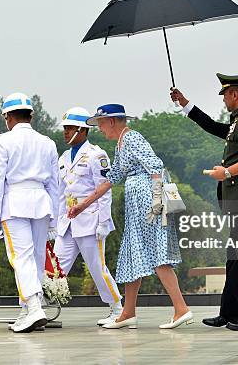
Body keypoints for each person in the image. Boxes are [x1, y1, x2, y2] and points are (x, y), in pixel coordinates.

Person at [171, 74, 238, 331]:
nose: (224, 101)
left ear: (234, 93)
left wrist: (227, 172)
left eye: (224, 96)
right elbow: (215, 127)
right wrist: (186, 104)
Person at [68, 104, 193, 329]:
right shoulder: (121, 143)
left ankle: (181, 309)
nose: (100, 129)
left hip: (147, 201)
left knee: (156, 253)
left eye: (101, 123)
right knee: (132, 254)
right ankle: (128, 312)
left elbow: (155, 166)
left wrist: (156, 202)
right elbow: (111, 178)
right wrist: (83, 205)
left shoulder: (132, 138)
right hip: (137, 204)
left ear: (112, 121)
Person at [0, 92, 60, 333]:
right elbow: (55, 185)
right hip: (41, 202)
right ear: (31, 115)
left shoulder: (3, 142)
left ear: (7, 117)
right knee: (37, 257)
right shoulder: (48, 143)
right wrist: (55, 219)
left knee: (21, 257)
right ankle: (28, 308)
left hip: (15, 204)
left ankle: (34, 307)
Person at [52, 107, 123, 326]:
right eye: (65, 128)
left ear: (82, 130)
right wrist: (55, 222)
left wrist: (103, 221)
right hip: (68, 222)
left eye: (70, 128)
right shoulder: (63, 157)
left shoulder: (96, 155)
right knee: (54, 268)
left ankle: (117, 308)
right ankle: (42, 309)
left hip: (91, 221)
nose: (65, 132)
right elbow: (61, 193)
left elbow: (104, 189)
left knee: (96, 268)